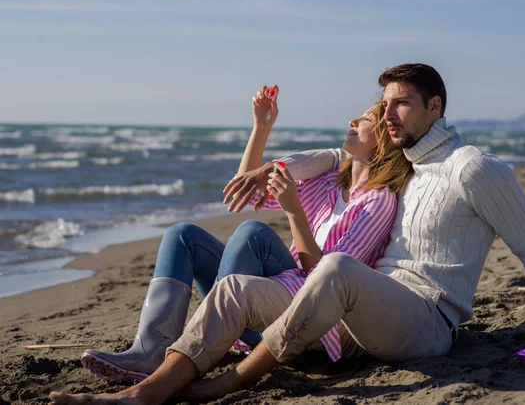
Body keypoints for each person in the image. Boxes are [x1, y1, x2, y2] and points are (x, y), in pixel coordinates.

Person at [50, 64, 525, 405]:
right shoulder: (409, 166)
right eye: (385, 103)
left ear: (435, 107)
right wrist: (310, 152)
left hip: (429, 321)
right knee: (234, 286)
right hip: (362, 310)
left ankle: (234, 379)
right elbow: (347, 156)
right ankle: (146, 392)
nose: (388, 113)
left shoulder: (473, 168)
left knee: (334, 266)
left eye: (401, 103)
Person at [79, 85, 409, 384]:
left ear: (384, 138)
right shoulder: (326, 182)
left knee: (253, 231)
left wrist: (293, 211)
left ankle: (207, 339)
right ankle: (152, 350)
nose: (353, 120)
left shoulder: (377, 202)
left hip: (301, 318)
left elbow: (325, 282)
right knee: (183, 236)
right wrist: (261, 128)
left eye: (365, 119)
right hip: (267, 296)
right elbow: (247, 192)